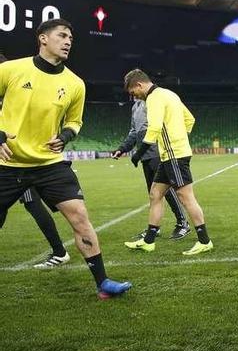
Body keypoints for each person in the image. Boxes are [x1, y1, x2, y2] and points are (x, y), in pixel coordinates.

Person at [0, 18, 131, 298]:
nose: (68, 41)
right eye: (62, 35)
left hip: (49, 164)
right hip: (7, 164)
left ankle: (103, 283)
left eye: (71, 37)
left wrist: (67, 135)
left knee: (80, 216)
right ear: (43, 39)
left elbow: (75, 121)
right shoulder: (11, 70)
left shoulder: (75, 84)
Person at [122, 69, 213, 255]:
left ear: (139, 85)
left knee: (186, 197)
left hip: (174, 155)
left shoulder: (154, 98)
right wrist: (180, 137)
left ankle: (204, 241)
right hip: (169, 155)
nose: (135, 96)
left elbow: (154, 127)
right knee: (155, 194)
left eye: (133, 92)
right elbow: (190, 119)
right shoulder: (170, 94)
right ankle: (149, 241)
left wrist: (139, 153)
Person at [0, 53, 70, 268]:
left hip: (22, 162)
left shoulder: (18, 85)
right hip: (9, 160)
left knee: (32, 203)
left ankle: (59, 251)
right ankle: (60, 251)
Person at [111, 98, 190, 240]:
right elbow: (134, 132)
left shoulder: (154, 101)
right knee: (153, 194)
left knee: (168, 190)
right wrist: (122, 149)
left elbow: (157, 126)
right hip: (145, 155)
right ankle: (155, 228)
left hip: (158, 151)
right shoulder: (135, 107)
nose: (131, 94)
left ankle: (183, 223)